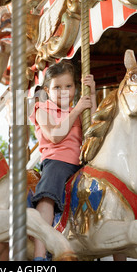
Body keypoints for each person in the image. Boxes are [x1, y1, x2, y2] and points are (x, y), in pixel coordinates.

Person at [29, 61, 97, 261]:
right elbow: (54, 135)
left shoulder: (79, 108)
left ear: (76, 88)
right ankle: (40, 254)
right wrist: (76, 111)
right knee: (47, 194)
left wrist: (92, 94)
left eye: (68, 86)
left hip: (81, 163)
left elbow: (92, 128)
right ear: (47, 90)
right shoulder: (42, 108)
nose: (64, 91)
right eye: (57, 87)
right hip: (57, 161)